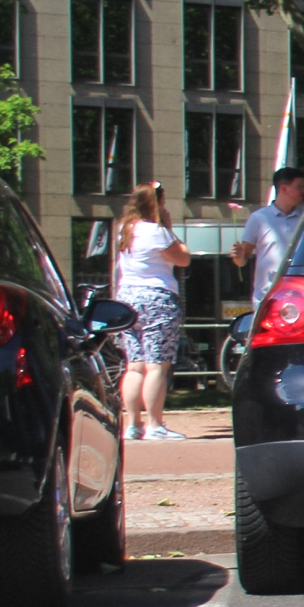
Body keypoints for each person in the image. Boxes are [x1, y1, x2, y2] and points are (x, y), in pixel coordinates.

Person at [112, 183, 191, 441]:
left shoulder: (125, 229)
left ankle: (133, 425)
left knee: (134, 365)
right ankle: (155, 425)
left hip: (128, 299)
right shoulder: (157, 231)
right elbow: (183, 258)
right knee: (157, 365)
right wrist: (168, 228)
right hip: (157, 298)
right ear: (156, 203)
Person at [230, 166, 304, 306]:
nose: (303, 191)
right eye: (299, 187)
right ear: (283, 189)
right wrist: (238, 257)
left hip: (301, 296)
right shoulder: (259, 218)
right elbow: (243, 260)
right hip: (267, 298)